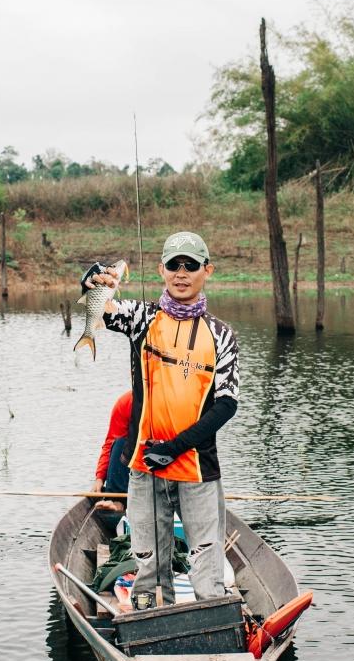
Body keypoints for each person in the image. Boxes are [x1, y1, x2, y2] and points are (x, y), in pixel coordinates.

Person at [81, 230, 239, 608]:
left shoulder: (222, 335)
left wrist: (175, 447)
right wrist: (92, 281)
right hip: (145, 463)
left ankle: (212, 621)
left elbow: (226, 404)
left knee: (205, 555)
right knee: (148, 557)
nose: (181, 273)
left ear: (207, 271)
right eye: (173, 265)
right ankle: (150, 619)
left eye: (190, 265)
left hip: (196, 466)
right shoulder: (143, 318)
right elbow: (102, 308)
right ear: (161, 271)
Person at [92, 390, 132, 511]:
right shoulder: (126, 402)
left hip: (166, 459)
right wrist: (99, 478)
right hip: (135, 461)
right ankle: (116, 501)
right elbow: (110, 444)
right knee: (119, 443)